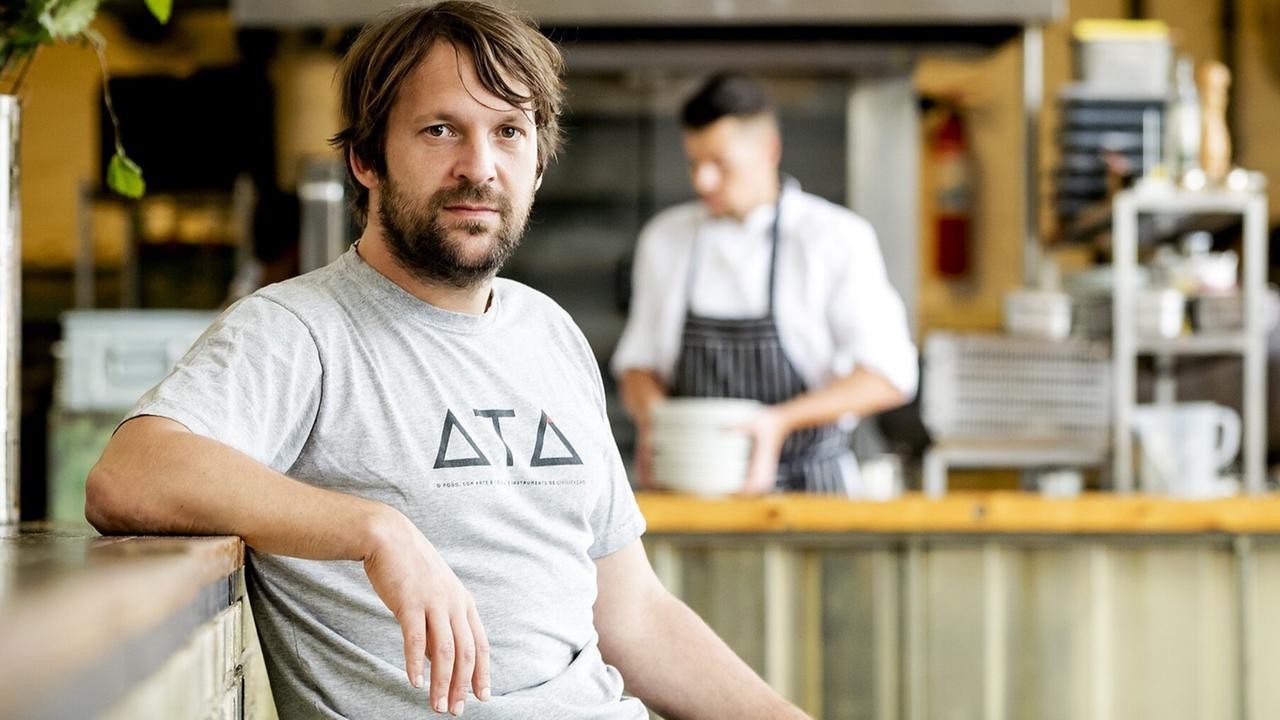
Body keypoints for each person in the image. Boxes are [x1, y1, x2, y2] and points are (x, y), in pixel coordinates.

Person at [84, 4, 809, 719]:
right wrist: (376, 530)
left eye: (509, 132)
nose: (480, 168)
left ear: (538, 164)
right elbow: (128, 475)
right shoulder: (297, 330)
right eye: (440, 130)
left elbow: (635, 616)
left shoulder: (550, 333)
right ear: (366, 159)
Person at [612, 73, 918, 496]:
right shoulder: (665, 239)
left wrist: (779, 423)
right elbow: (637, 369)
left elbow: (889, 376)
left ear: (769, 149)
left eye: (720, 164)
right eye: (694, 162)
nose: (703, 181)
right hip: (694, 493)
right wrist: (659, 422)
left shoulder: (835, 238)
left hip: (813, 493)